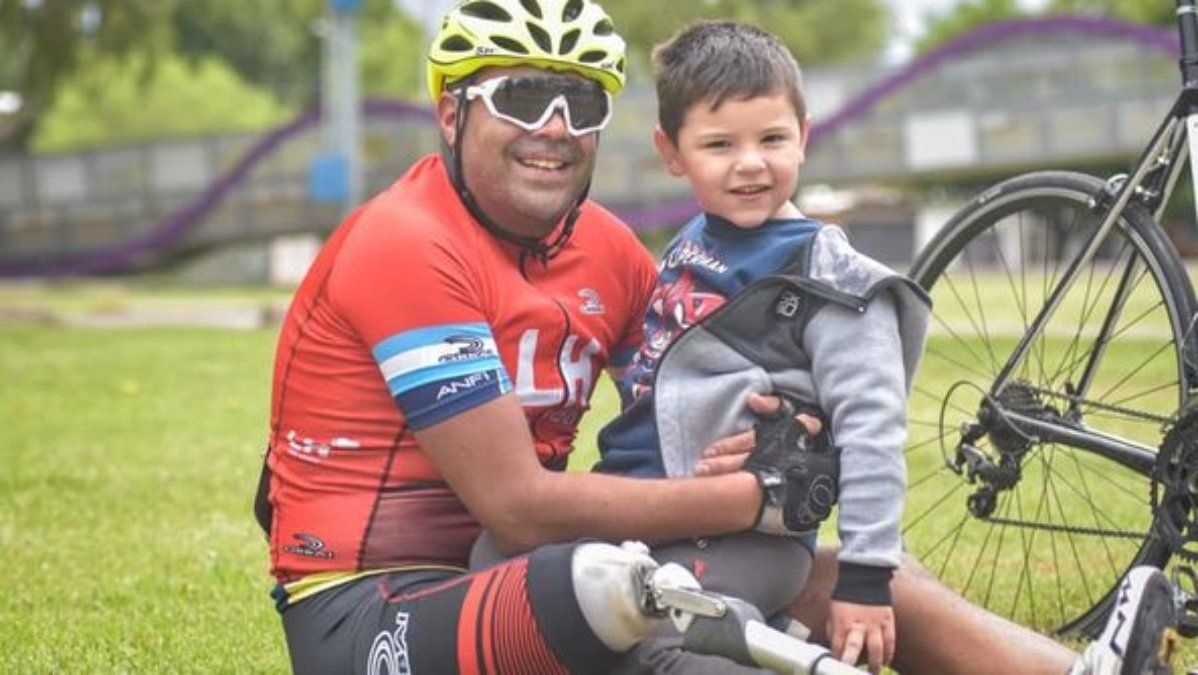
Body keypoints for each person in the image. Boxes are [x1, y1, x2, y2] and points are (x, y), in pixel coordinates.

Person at [252, 0, 1179, 672]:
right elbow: (519, 507)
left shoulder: (610, 251)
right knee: (614, 589)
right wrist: (751, 494)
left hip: (534, 574)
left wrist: (794, 429)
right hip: (375, 606)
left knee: (818, 573)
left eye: (582, 105)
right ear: (452, 113)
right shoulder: (407, 243)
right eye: (524, 98)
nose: (555, 129)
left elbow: (691, 385)